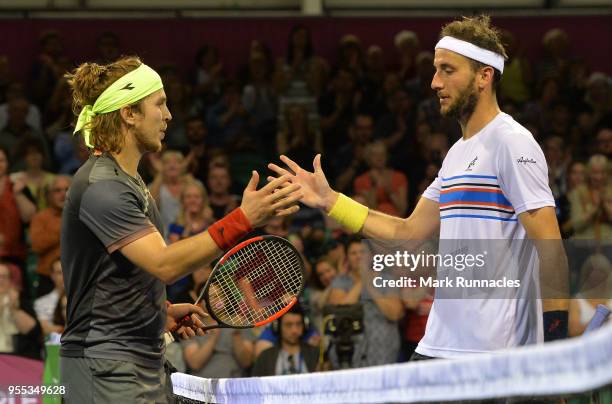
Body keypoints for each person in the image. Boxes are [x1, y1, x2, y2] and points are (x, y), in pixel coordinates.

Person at [270, 15, 568, 360]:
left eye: (447, 70)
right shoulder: (457, 153)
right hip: (440, 344)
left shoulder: (512, 143)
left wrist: (557, 352)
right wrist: (330, 200)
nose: (434, 82)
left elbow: (551, 250)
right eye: (435, 69)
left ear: (484, 76)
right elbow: (407, 232)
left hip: (493, 355)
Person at [61, 56, 302, 403]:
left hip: (133, 363)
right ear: (129, 114)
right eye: (159, 104)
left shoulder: (128, 182)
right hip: (105, 371)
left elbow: (118, 276)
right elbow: (165, 264)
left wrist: (159, 313)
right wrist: (243, 219)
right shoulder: (102, 187)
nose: (169, 115)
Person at [252, 305, 319, 376]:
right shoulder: (265, 357)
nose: (294, 330)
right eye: (288, 325)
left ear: (304, 326)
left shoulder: (315, 354)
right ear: (278, 327)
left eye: (298, 324)